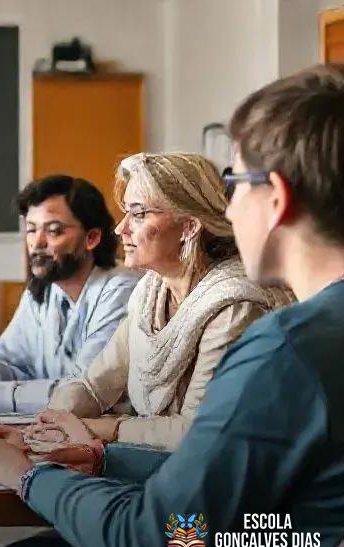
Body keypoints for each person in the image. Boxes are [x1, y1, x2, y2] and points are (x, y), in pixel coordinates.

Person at [0, 64, 344, 547]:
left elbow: (154, 540)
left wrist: (25, 476)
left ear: (276, 197)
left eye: (234, 181)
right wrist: (103, 460)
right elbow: (252, 514)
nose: (227, 205)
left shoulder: (284, 347)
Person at [27, 153, 293, 451]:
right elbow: (92, 385)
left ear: (189, 227)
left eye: (139, 214)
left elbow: (197, 431)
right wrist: (51, 420)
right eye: (125, 212)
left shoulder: (235, 306)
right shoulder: (149, 293)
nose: (120, 229)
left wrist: (98, 427)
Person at [0, 175, 140, 411]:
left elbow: (84, 391)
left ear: (92, 238)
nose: (37, 242)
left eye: (54, 231)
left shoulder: (122, 289)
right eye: (32, 230)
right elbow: (6, 360)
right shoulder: (42, 289)